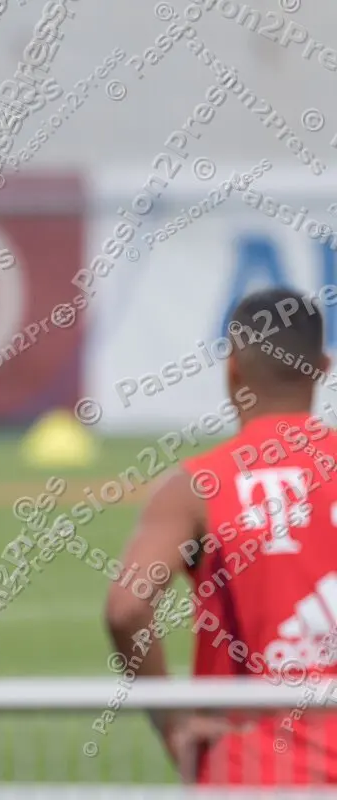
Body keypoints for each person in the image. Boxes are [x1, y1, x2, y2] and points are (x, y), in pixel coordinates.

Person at [105, 287, 337, 786]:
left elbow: (126, 608)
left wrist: (172, 722)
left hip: (248, 768)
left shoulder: (196, 486)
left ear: (232, 369)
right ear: (322, 366)